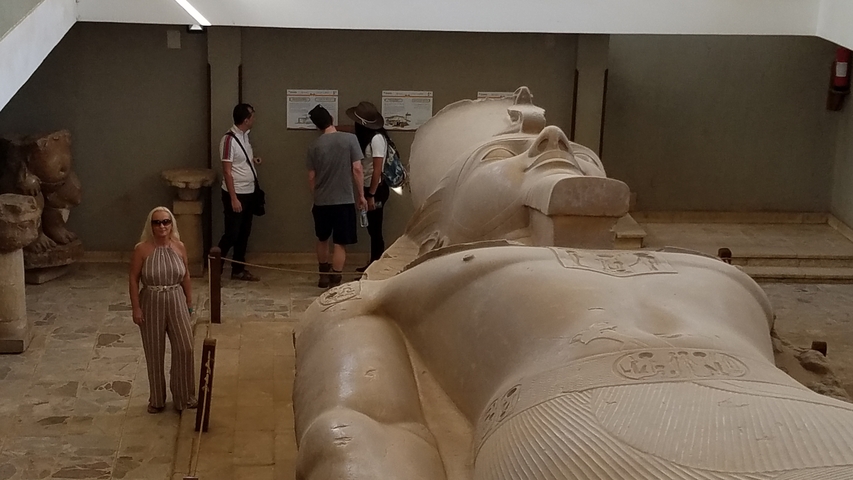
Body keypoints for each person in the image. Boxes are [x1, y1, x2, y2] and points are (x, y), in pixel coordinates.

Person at [293, 88, 853, 479]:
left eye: (577, 153)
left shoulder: (718, 272)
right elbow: (362, 428)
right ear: (437, 230)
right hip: (589, 440)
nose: (553, 139)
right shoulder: (408, 289)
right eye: (500, 154)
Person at [129, 206, 197, 414]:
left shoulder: (180, 247)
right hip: (151, 299)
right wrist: (136, 308)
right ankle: (157, 399)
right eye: (157, 222)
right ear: (151, 225)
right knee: (154, 351)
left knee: (185, 347)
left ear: (172, 224)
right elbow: (133, 278)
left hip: (175, 297)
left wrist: (189, 302)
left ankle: (184, 396)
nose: (162, 226)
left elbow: (185, 275)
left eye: (166, 221)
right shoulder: (142, 249)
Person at [306, 104, 368, 288]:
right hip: (344, 199)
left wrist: (316, 194)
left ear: (317, 126)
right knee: (340, 242)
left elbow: (311, 176)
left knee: (322, 238)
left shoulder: (314, 146)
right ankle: (336, 277)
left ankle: (323, 275)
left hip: (322, 200)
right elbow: (357, 169)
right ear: (331, 118)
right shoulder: (350, 140)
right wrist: (361, 195)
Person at [218, 103, 262, 282]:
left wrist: (253, 160)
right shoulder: (228, 140)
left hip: (250, 191)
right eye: (252, 116)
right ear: (245, 120)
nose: (254, 119)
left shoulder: (245, 136)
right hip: (236, 194)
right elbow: (227, 170)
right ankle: (216, 266)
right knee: (232, 233)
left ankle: (238, 269)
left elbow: (240, 160)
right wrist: (234, 198)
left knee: (244, 232)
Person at [346, 101, 391, 272]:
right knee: (372, 227)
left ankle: (375, 266)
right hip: (368, 188)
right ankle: (373, 263)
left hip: (376, 189)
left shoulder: (377, 139)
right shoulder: (367, 137)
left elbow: (377, 170)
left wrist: (371, 195)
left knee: (375, 228)